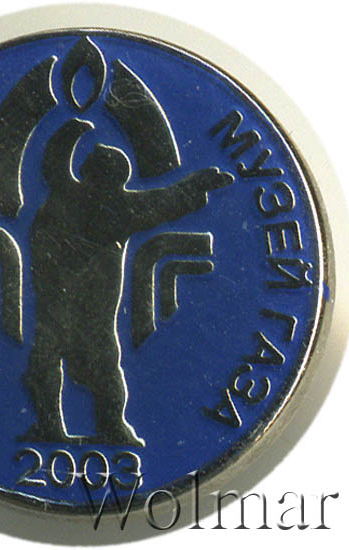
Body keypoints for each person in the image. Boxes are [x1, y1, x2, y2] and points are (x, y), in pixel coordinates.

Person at [21, 119, 233, 446]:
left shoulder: (113, 206)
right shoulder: (72, 196)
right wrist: (69, 129)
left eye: (95, 158)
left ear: (104, 174)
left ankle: (109, 428)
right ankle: (57, 428)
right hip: (58, 307)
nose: (89, 158)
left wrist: (197, 184)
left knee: (97, 368)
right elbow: (55, 164)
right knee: (51, 366)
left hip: (89, 313)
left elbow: (166, 199)